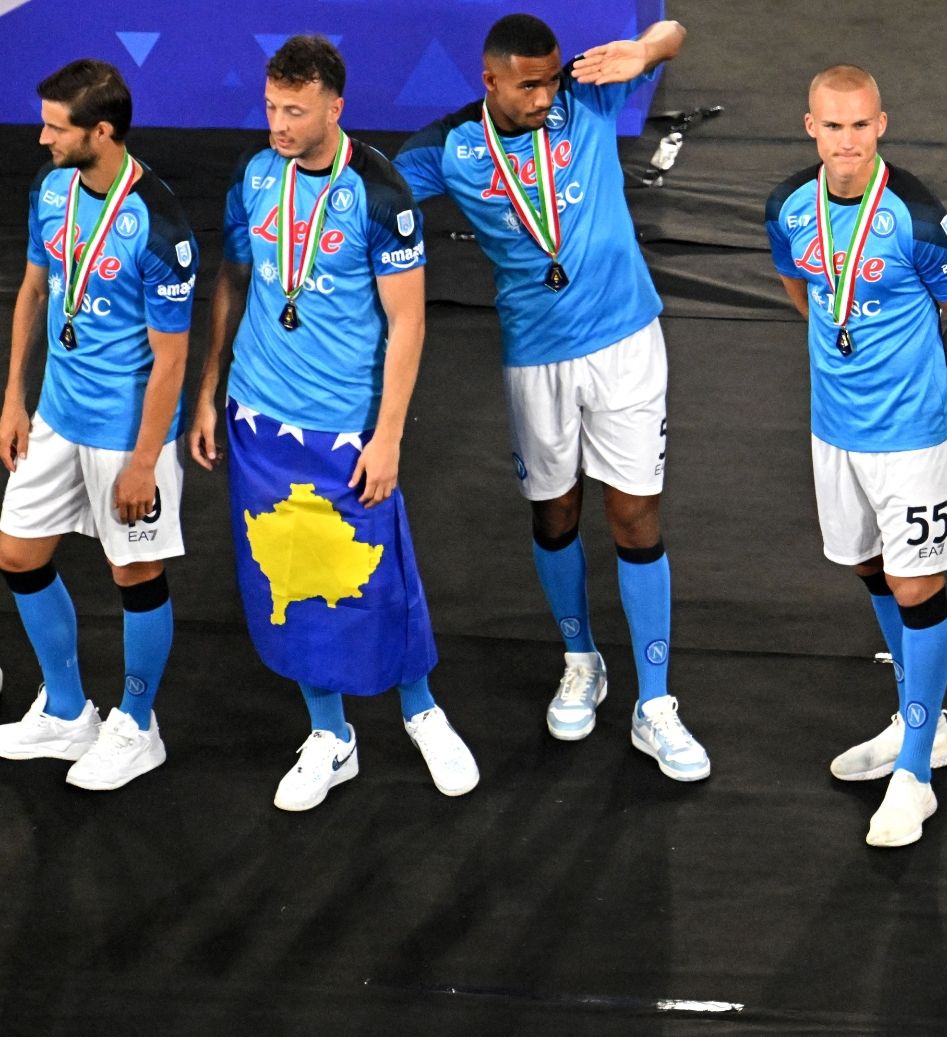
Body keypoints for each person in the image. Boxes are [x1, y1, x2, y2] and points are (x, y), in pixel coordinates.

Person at [394, 14, 707, 780]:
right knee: (555, 510)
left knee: (634, 512)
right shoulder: (451, 146)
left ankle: (656, 703)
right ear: (489, 78)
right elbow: (373, 193)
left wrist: (646, 49)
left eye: (551, 77)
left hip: (628, 342)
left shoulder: (587, 97)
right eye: (529, 84)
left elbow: (674, 29)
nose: (545, 96)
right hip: (536, 359)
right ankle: (581, 658)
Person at [191, 36, 476, 810]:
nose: (278, 124)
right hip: (258, 418)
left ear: (334, 106)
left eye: (295, 110)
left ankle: (422, 713)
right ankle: (330, 735)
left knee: (378, 577)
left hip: (344, 430)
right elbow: (233, 279)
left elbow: (409, 325)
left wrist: (388, 437)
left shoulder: (381, 197)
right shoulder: (255, 176)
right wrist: (210, 384)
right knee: (290, 576)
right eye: (272, 107)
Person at [764, 65, 947, 845]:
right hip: (835, 429)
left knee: (917, 585)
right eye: (833, 126)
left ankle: (917, 773)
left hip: (911, 438)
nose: (848, 141)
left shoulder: (920, 219)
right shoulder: (789, 209)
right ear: (811, 128)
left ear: (881, 125)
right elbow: (804, 293)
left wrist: (927, 382)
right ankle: (922, 722)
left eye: (861, 126)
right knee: (869, 569)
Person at [0, 59, 194, 790]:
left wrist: (146, 461)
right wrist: (15, 400)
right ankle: (68, 709)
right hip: (55, 415)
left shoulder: (160, 225)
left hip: (124, 431)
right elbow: (33, 291)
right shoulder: (51, 191)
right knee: (18, 554)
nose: (41, 136)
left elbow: (171, 360)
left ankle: (138, 726)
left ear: (101, 132)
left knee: (134, 573)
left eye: (56, 126)